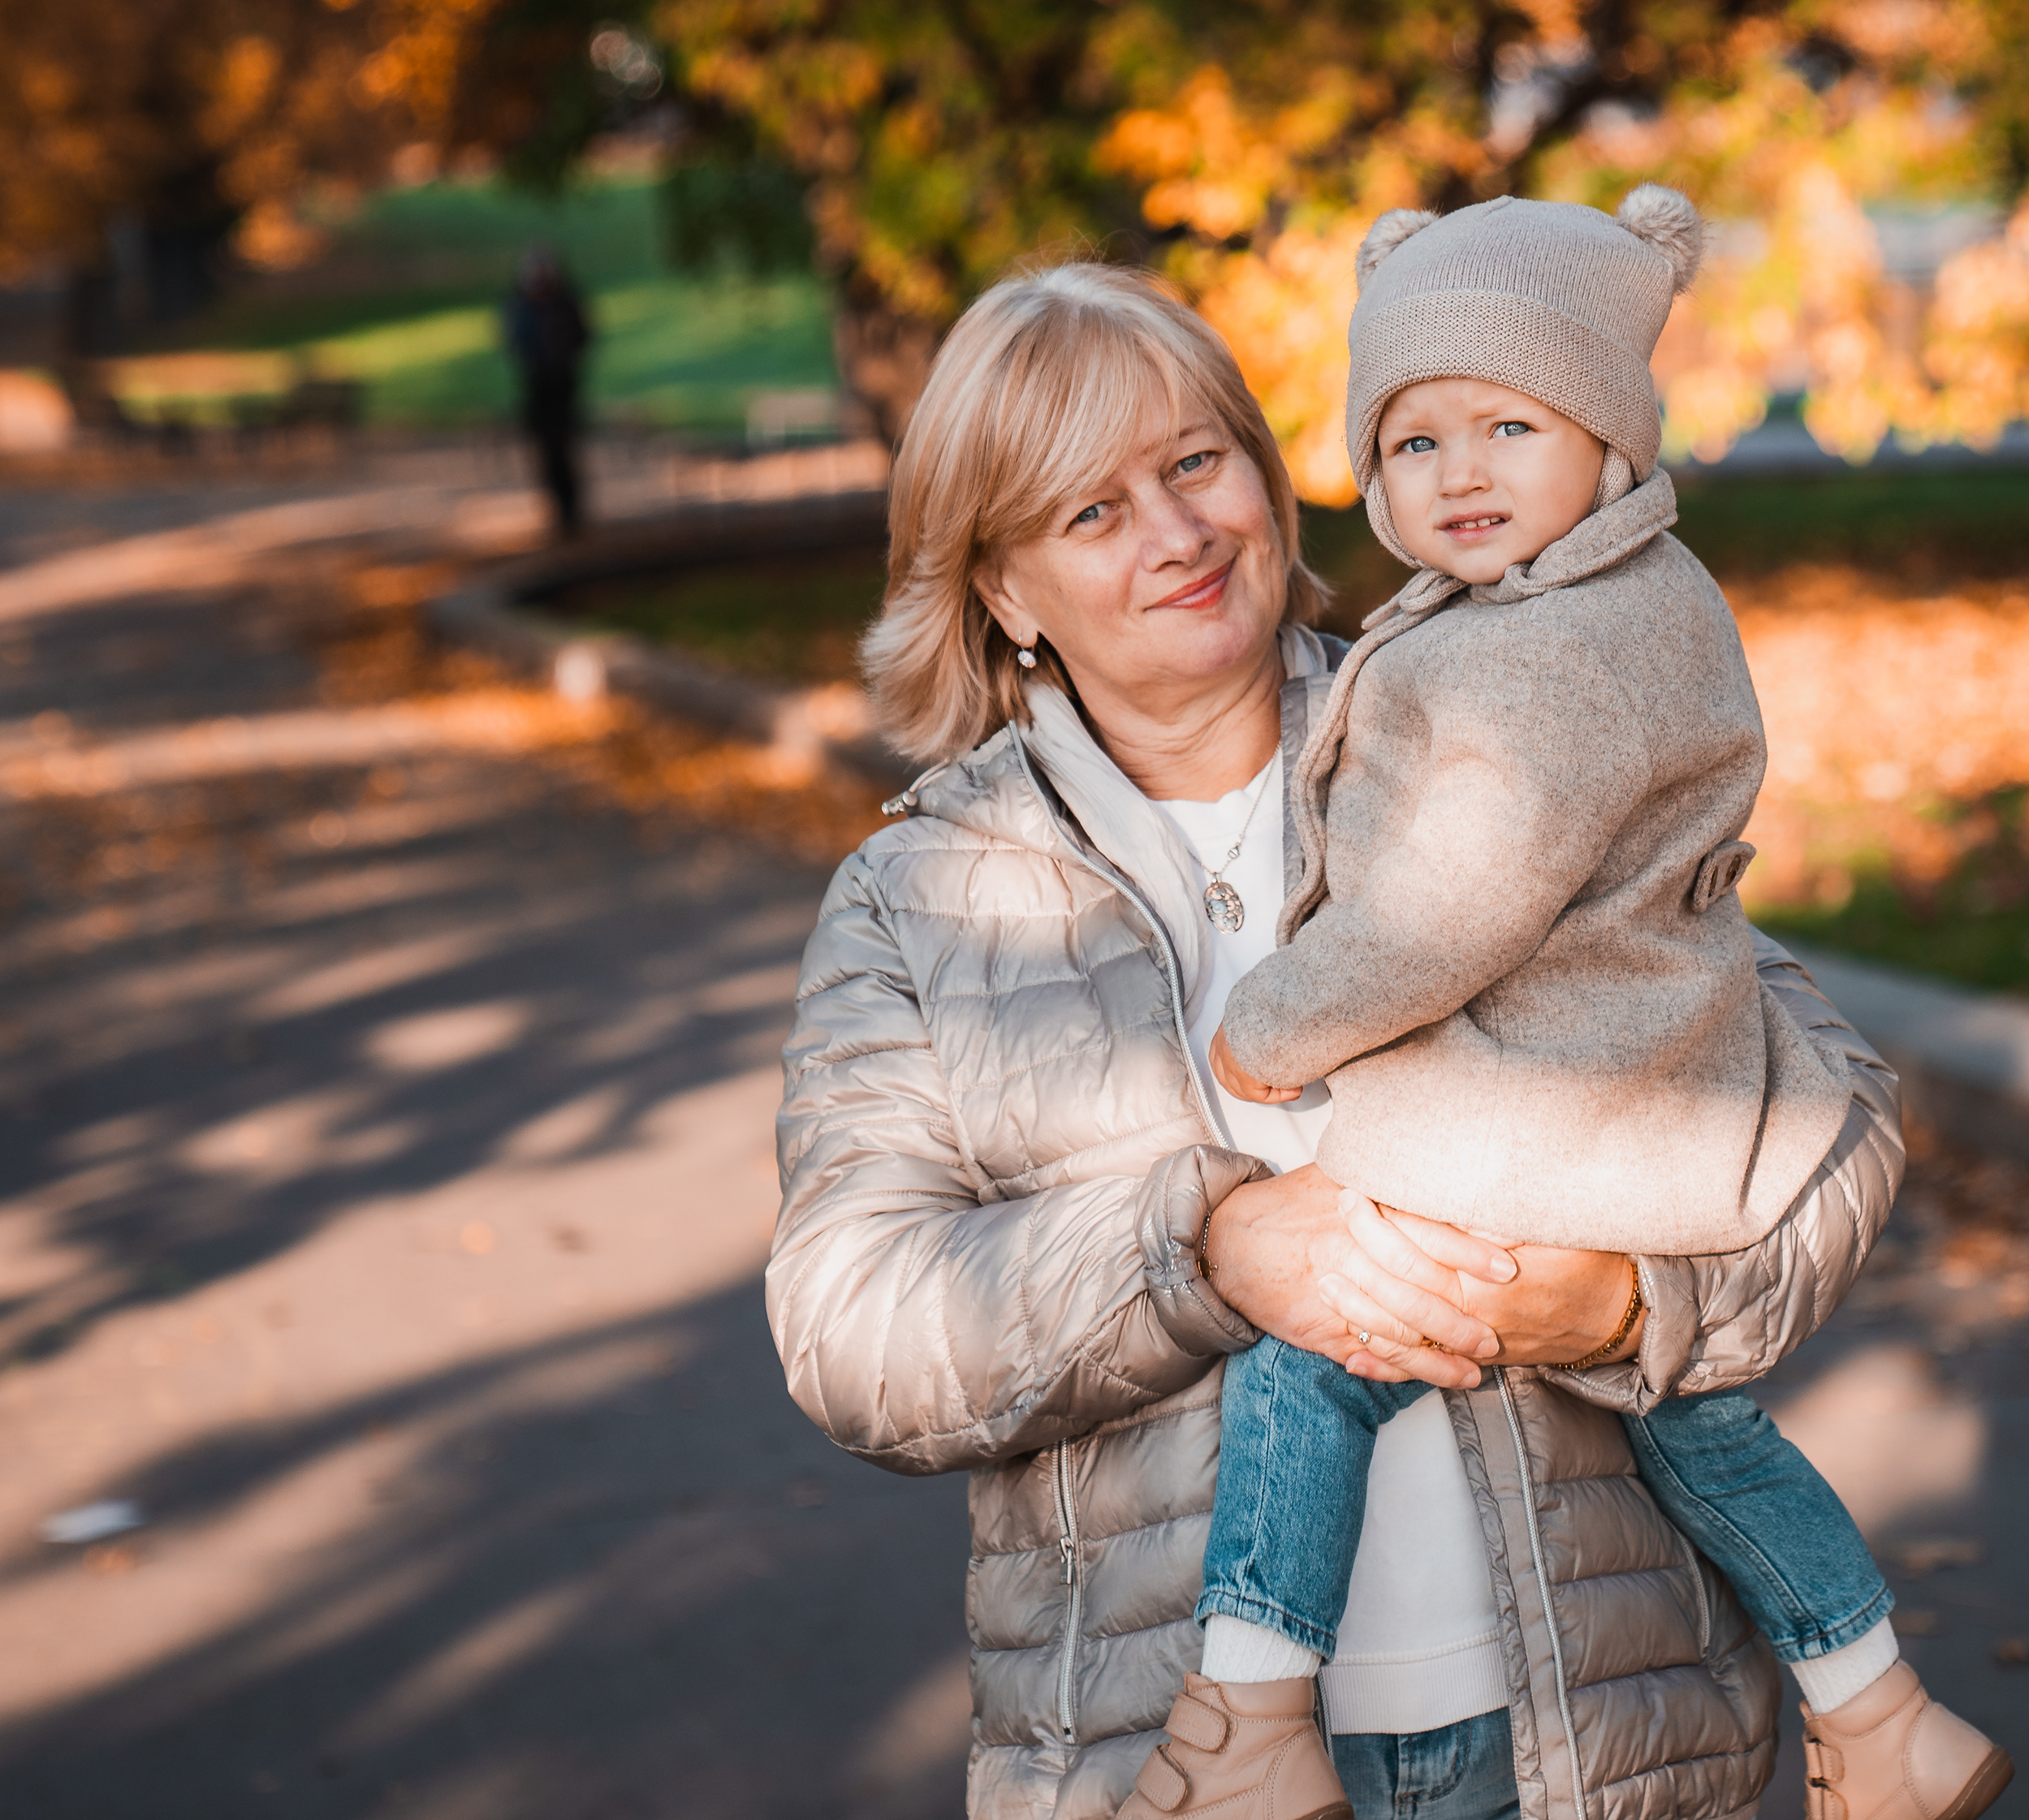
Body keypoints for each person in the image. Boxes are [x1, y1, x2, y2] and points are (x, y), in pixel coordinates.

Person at [768, 259, 1909, 1820]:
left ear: (1268, 474)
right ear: (1005, 593)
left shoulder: (1491, 725)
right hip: (1162, 1760)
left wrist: (1633, 1299)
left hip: (1591, 1739)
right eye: (1093, 512)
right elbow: (856, 1324)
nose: (1177, 533)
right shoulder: (923, 897)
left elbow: (1832, 1125)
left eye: (1195, 463)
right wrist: (1207, 1246)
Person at [500, 244, 594, 539]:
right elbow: (514, 341)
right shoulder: (520, 305)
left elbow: (583, 336)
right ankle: (559, 509)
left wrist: (565, 360)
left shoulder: (565, 301)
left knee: (564, 447)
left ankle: (571, 509)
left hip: (564, 386)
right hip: (537, 387)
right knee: (546, 451)